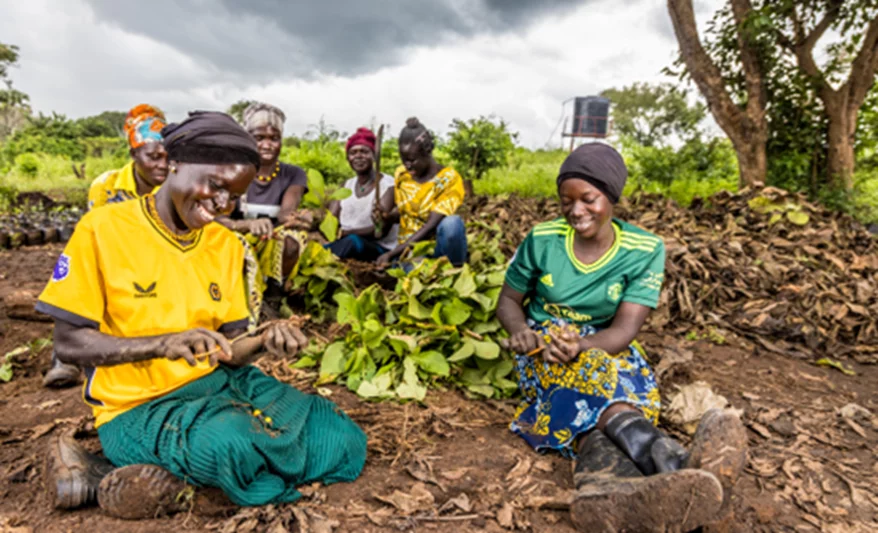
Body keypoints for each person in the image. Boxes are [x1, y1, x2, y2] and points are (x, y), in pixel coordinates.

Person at [38, 111, 367, 519]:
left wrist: (266, 337)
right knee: (230, 444)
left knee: (337, 431)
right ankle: (168, 478)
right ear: (175, 162)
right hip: (139, 409)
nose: (222, 204)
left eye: (234, 196)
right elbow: (68, 343)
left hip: (220, 386)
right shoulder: (103, 229)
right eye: (214, 185)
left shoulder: (225, 245)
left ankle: (170, 479)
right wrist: (163, 344)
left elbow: (229, 351)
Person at [496, 143, 747, 532]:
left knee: (608, 383)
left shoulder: (644, 249)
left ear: (611, 197)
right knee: (591, 389)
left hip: (609, 342)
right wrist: (523, 334)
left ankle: (610, 493)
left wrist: (580, 346)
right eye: (566, 201)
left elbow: (625, 329)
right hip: (547, 347)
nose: (576, 211)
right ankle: (679, 466)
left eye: (588, 199)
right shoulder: (542, 239)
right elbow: (508, 301)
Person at [44, 104, 170, 388]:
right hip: (114, 257)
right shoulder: (107, 186)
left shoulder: (174, 188)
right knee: (79, 278)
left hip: (160, 260)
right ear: (134, 155)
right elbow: (93, 235)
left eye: (168, 157)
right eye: (153, 157)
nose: (163, 164)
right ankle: (64, 358)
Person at [217, 102, 308, 312]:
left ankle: (274, 293)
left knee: (291, 242)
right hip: (238, 237)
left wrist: (302, 218)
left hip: (273, 241)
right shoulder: (231, 172)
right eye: (259, 138)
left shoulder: (293, 174)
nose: (267, 145)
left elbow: (286, 214)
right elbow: (219, 219)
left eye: (274, 138)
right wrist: (248, 225)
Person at [375, 117, 467, 267]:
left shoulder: (449, 179)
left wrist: (392, 253)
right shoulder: (402, 175)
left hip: (437, 248)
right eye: (403, 159)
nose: (407, 165)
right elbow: (405, 212)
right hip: (408, 250)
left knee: (452, 224)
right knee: (415, 276)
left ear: (427, 152)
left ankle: (454, 269)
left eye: (412, 160)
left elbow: (431, 225)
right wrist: (387, 217)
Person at [326, 127, 399, 261]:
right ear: (348, 158)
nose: (358, 156)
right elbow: (330, 222)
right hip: (344, 243)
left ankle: (323, 257)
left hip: (377, 248)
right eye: (353, 153)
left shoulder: (388, 186)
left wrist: (345, 233)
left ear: (373, 156)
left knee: (352, 241)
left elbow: (378, 232)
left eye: (364, 152)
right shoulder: (345, 186)